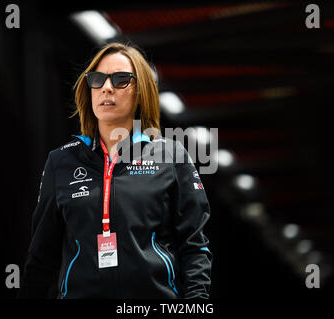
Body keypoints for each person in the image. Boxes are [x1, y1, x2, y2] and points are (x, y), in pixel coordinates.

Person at [18, 42, 212, 299]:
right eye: (97, 79)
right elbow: (41, 257)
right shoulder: (60, 162)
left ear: (140, 91)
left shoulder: (172, 157)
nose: (106, 87)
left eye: (121, 80)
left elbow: (194, 249)